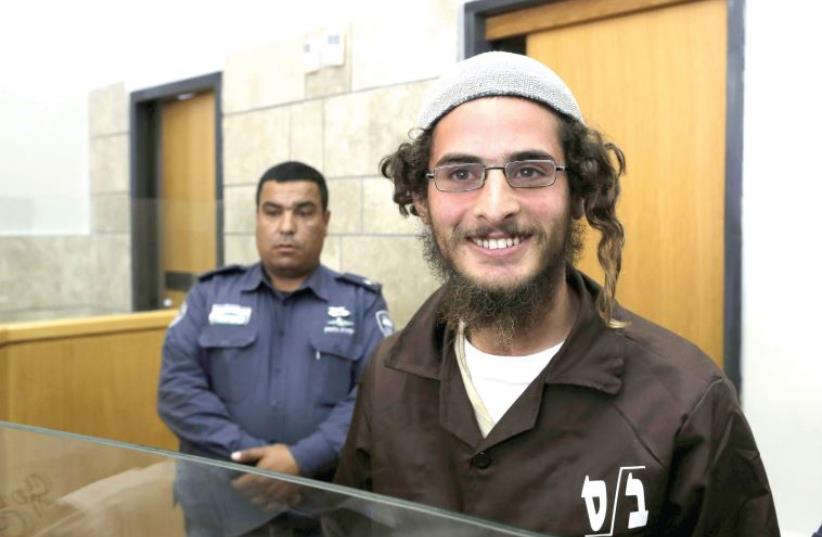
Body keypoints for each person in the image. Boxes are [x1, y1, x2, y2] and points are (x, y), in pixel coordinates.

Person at [334, 52, 779, 536]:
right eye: (461, 174)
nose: (496, 207)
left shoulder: (686, 399)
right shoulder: (389, 374)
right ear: (422, 200)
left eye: (529, 171)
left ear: (581, 193)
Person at [158, 161, 392, 536]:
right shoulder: (209, 294)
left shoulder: (361, 303)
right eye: (273, 212)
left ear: (326, 220)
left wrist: (302, 460)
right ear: (257, 218)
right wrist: (258, 462)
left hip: (321, 507)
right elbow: (177, 391)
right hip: (221, 504)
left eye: (303, 212)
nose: (286, 227)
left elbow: (377, 397)